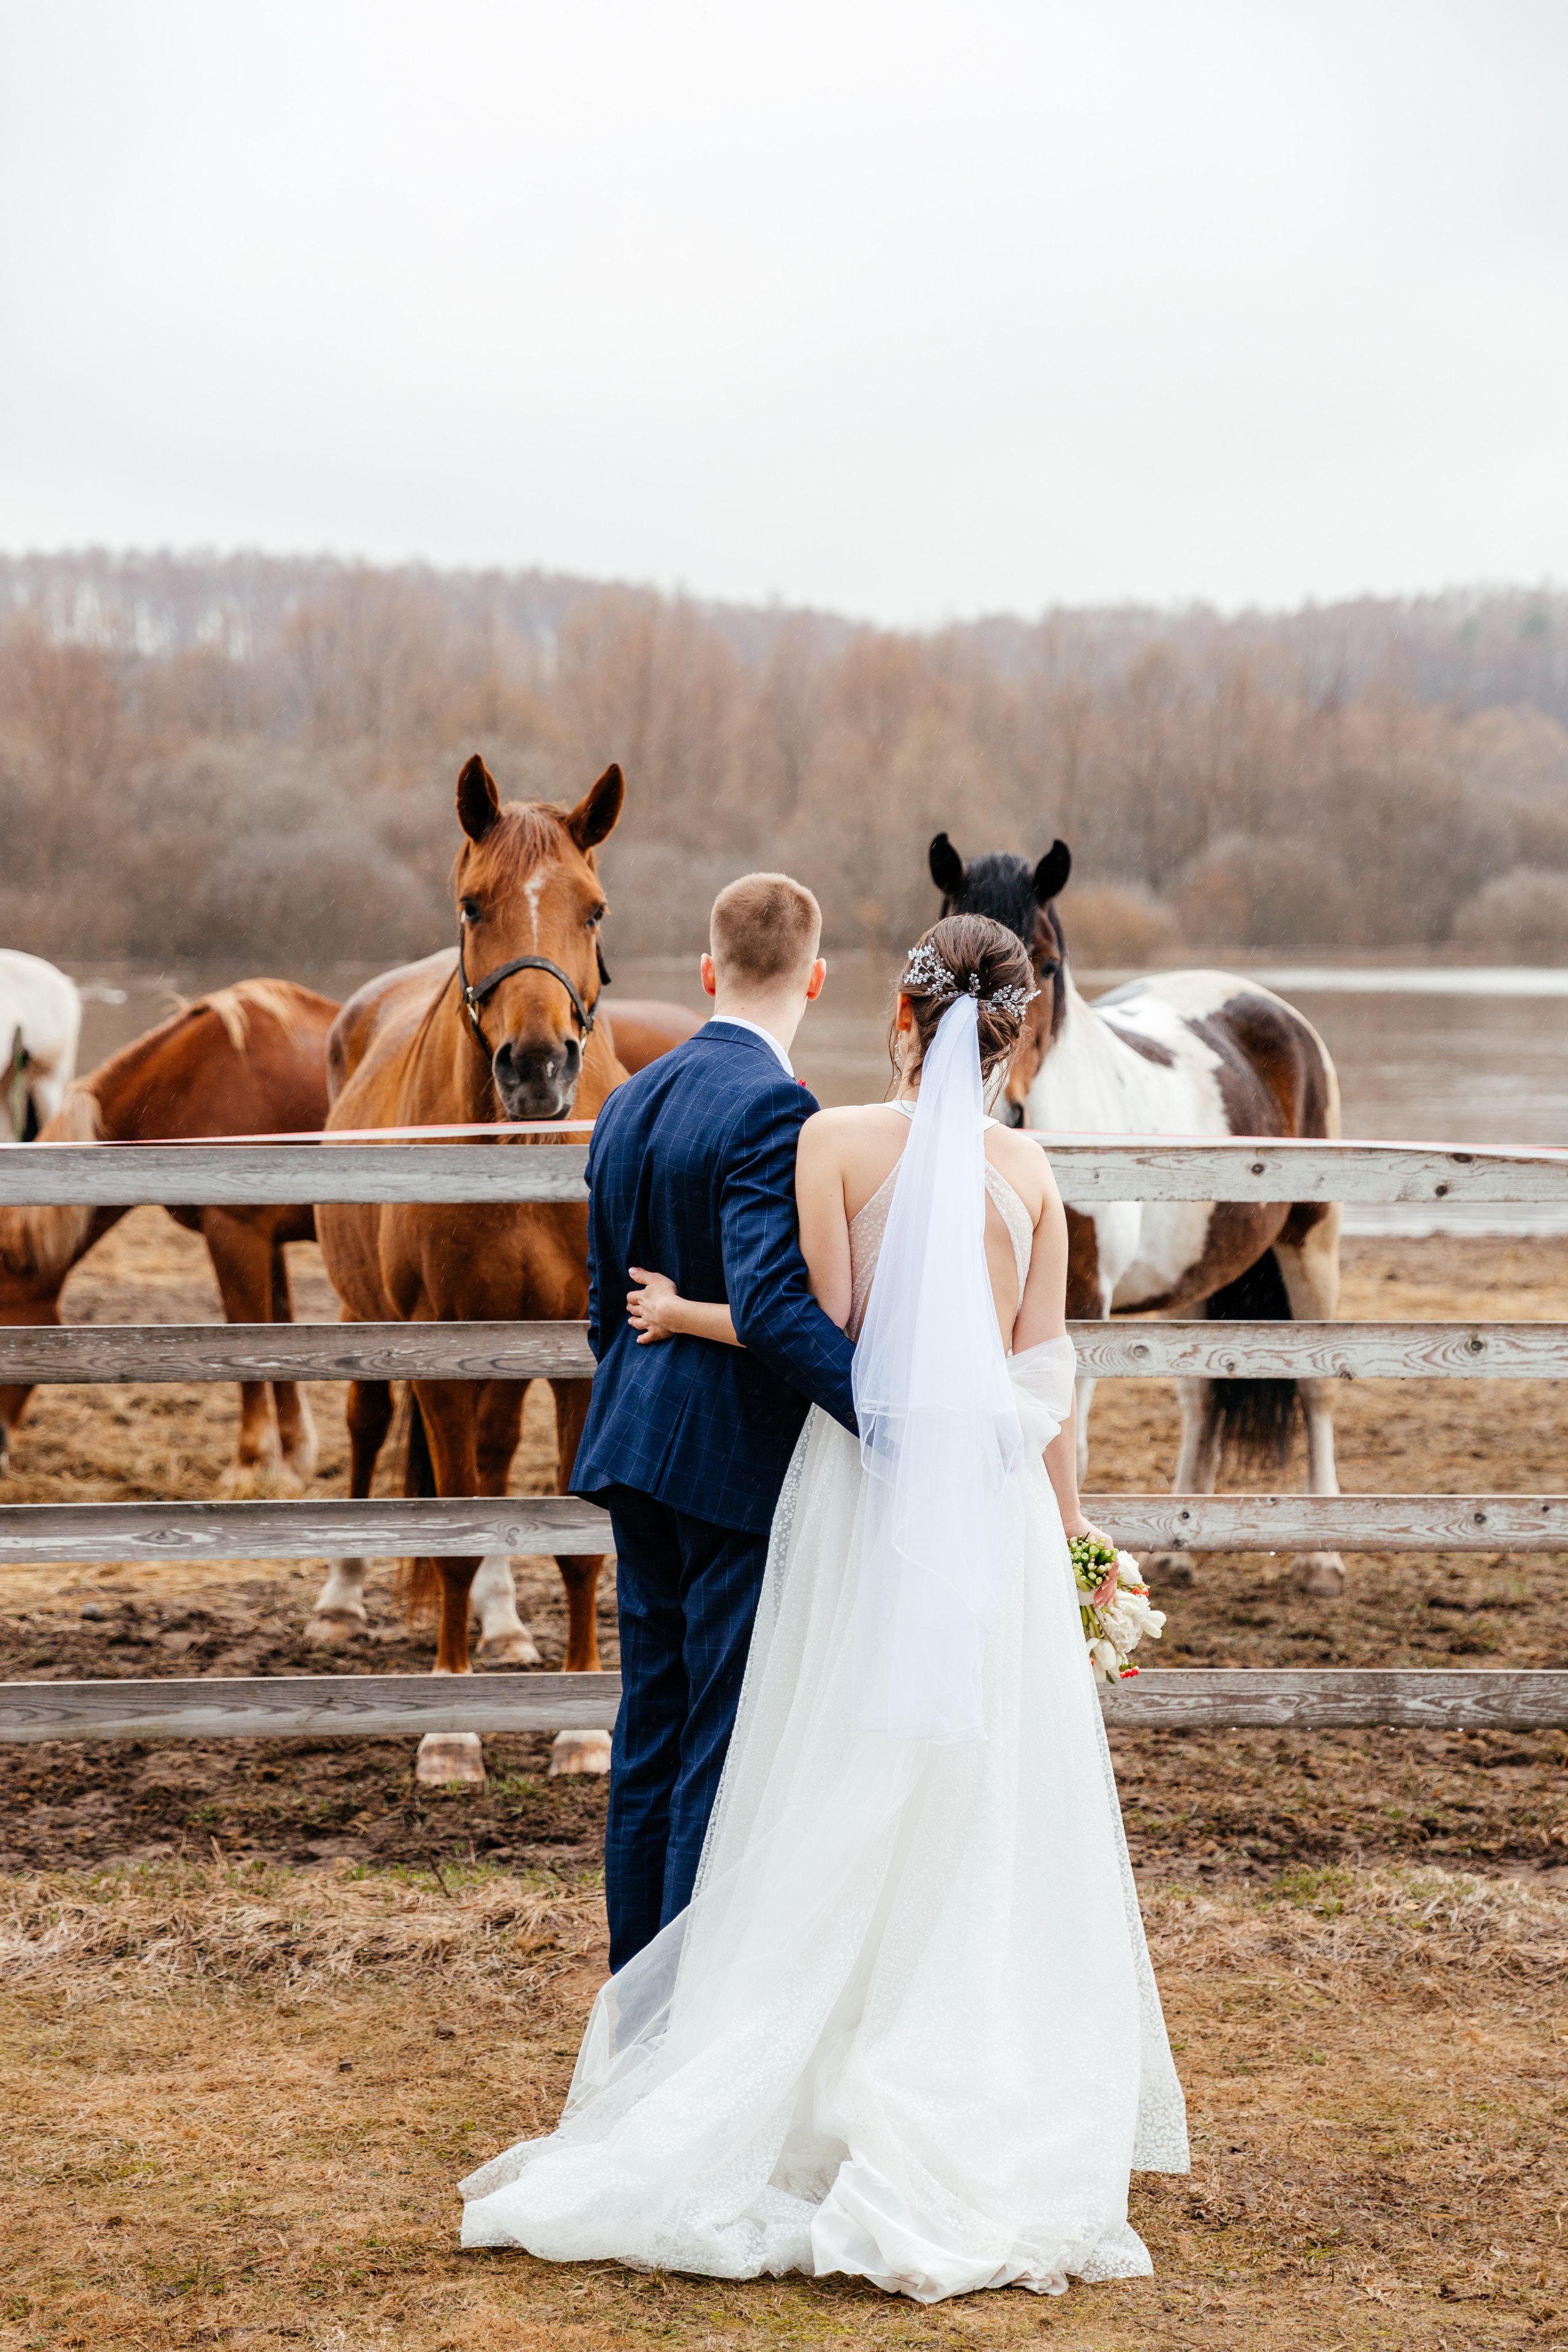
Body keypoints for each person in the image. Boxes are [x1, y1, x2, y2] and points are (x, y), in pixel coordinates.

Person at [462, 913, 1188, 2302]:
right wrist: (1073, 1531)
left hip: (860, 1494)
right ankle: (974, 2080)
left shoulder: (834, 1145)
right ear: (1018, 1034)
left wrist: (684, 1317)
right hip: (987, 1512)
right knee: (981, 1797)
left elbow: (823, 1336)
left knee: (816, 1770)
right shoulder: (1031, 1173)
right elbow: (1046, 1381)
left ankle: (756, 2065)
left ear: (901, 1025)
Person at [566, 872, 857, 1973]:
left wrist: (646, 1395)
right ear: (817, 979)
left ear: (706, 972)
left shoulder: (628, 1099)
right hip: (729, 1466)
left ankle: (632, 2002)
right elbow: (778, 1308)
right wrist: (892, 1415)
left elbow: (603, 1312)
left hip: (632, 1447)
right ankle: (683, 2019)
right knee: (713, 1743)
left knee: (648, 1730)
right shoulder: (777, 1109)